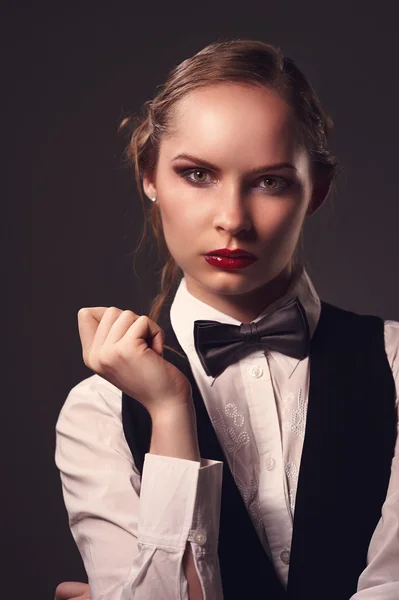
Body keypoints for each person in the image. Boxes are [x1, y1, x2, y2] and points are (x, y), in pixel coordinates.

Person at [54, 38, 399, 600]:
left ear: (316, 191)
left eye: (270, 181)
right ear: (149, 176)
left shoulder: (396, 366)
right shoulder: (97, 412)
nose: (232, 219)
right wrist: (168, 412)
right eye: (197, 174)